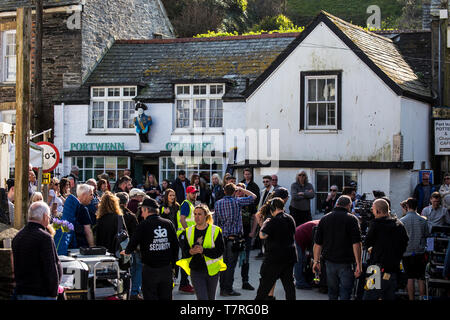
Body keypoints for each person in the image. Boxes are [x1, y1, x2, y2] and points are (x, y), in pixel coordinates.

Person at [122, 197, 179, 300]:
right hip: (166, 269)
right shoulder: (168, 223)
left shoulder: (143, 225)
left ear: (146, 210)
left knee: (150, 296)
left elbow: (133, 242)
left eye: (142, 211)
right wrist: (175, 266)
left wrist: (127, 251)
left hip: (150, 270)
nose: (141, 214)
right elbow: (175, 246)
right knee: (166, 296)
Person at [313, 195, 362, 300]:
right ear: (349, 206)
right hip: (346, 262)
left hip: (329, 262)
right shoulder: (352, 219)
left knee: (332, 292)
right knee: (345, 292)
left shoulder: (324, 218)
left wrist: (316, 262)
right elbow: (356, 243)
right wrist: (359, 263)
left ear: (337, 204)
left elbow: (317, 244)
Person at [12, 201, 62, 300]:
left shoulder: (18, 237)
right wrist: (54, 292)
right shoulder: (45, 238)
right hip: (41, 293)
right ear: (44, 216)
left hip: (21, 292)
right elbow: (51, 266)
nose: (49, 220)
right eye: (48, 217)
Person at [215, 183, 257, 297]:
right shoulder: (237, 201)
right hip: (234, 238)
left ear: (224, 191)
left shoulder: (218, 203)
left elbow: (216, 223)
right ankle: (228, 289)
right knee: (231, 266)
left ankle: (223, 288)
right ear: (234, 192)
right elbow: (254, 197)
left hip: (222, 238)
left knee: (223, 265)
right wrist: (242, 189)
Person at [362, 198, 409, 300]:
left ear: (378, 211)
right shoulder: (399, 224)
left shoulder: (376, 225)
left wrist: (372, 249)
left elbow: (367, 243)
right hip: (393, 268)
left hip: (376, 268)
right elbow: (405, 243)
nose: (372, 212)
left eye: (373, 209)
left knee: (369, 296)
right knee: (389, 296)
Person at [177, 204, 226, 300]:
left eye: (199, 214)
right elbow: (185, 252)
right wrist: (191, 251)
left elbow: (220, 251)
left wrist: (204, 251)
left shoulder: (215, 230)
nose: (196, 217)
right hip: (196, 270)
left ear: (206, 216)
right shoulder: (188, 231)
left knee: (211, 298)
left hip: (212, 271)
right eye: (195, 214)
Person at [255, 197, 297, 300]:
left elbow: (262, 235)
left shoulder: (273, 221)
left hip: (274, 258)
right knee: (289, 285)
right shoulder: (290, 218)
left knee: (264, 286)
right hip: (289, 256)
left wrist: (264, 224)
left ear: (273, 208)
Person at [400, 197, 430, 300]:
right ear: (417, 206)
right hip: (420, 252)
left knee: (410, 277)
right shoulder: (423, 220)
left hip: (407, 252)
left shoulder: (402, 221)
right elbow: (427, 236)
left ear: (407, 206)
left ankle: (411, 299)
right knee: (421, 277)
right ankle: (422, 298)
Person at [116, 192, 141, 300]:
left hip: (117, 248)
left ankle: (122, 291)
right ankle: (134, 292)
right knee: (136, 268)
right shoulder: (130, 215)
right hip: (131, 248)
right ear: (126, 203)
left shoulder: (113, 214)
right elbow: (136, 233)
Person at [176, 185, 198, 294]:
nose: (195, 195)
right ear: (187, 193)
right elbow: (182, 219)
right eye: (193, 193)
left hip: (186, 235)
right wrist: (188, 233)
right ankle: (184, 284)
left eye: (195, 193)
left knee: (187, 259)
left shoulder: (190, 204)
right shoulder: (186, 204)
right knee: (186, 260)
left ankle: (185, 283)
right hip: (185, 236)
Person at [235, 183, 256, 291]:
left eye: (241, 190)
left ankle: (245, 281)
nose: (239, 192)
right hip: (234, 235)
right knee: (232, 260)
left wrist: (253, 231)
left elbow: (255, 217)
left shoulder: (249, 203)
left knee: (245, 260)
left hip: (246, 234)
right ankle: (228, 283)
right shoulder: (232, 201)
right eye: (237, 190)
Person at [294, 219, 320, 290]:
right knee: (299, 261)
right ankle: (299, 282)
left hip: (301, 237)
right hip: (298, 238)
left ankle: (302, 279)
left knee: (303, 260)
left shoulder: (320, 223)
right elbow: (316, 243)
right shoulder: (319, 226)